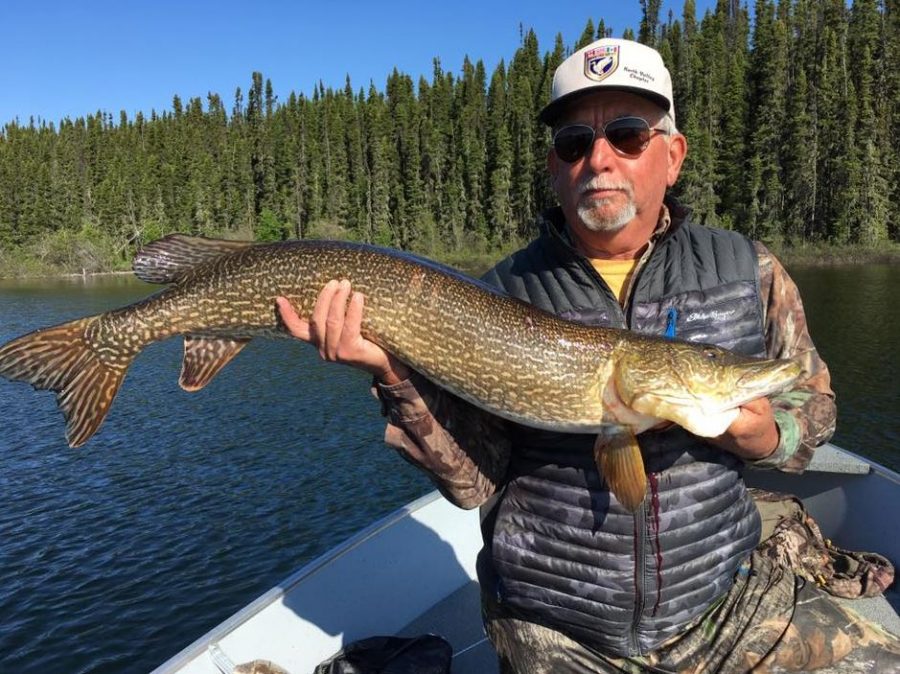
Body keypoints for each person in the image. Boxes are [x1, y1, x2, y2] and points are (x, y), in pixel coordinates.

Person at [276, 38, 900, 673]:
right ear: (555, 166)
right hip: (555, 629)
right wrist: (393, 376)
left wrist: (770, 434)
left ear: (673, 155)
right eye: (575, 143)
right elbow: (472, 485)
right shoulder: (498, 293)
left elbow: (813, 402)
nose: (599, 159)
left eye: (628, 135)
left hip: (726, 604)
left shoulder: (748, 268)